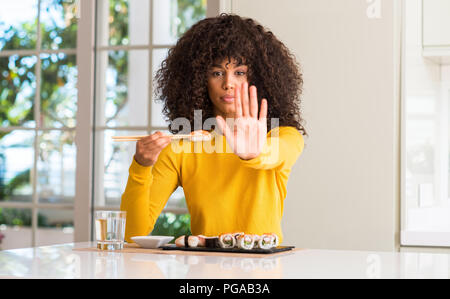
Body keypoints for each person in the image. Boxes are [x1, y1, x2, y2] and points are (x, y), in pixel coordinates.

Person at [120, 14, 307, 243]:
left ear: (258, 79)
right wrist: (141, 166)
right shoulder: (182, 148)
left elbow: (276, 152)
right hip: (202, 270)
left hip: (263, 270)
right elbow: (131, 234)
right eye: (217, 73)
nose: (228, 83)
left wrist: (254, 152)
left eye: (239, 72)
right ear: (199, 80)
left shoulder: (282, 135)